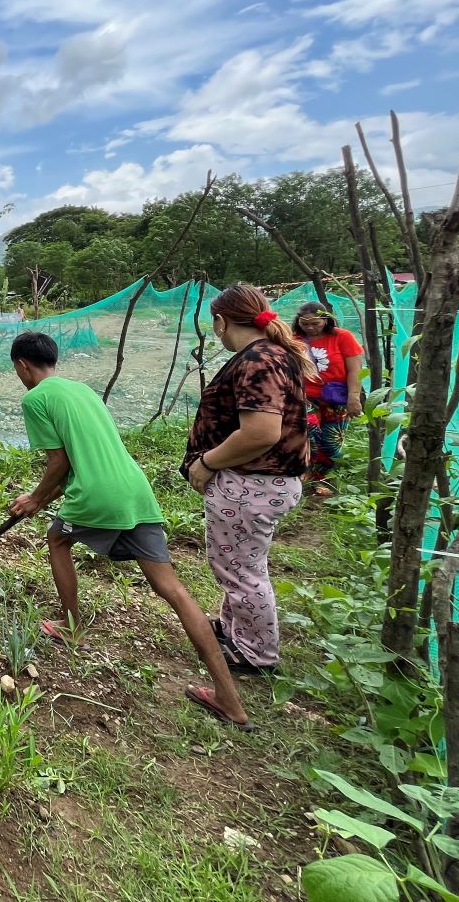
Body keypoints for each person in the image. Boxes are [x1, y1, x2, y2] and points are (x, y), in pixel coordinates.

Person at [6, 331, 252, 729]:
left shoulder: (36, 398)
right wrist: (41, 499)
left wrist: (35, 499)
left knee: (57, 539)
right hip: (135, 491)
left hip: (98, 495)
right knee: (172, 590)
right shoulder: (80, 390)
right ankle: (230, 700)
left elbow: (60, 462)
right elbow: (82, 456)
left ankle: (70, 626)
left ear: (22, 365)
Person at [184, 284, 311, 680]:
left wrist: (206, 463)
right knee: (238, 563)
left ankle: (256, 654)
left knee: (242, 571)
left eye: (214, 325)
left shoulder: (258, 360)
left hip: (252, 484)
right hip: (259, 484)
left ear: (221, 322)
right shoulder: (273, 354)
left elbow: (260, 432)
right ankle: (234, 629)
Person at [292, 301, 364, 498]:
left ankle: (321, 479)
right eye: (305, 323)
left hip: (336, 397)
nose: (310, 327)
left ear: (326, 319)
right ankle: (303, 473)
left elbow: (355, 369)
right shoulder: (295, 340)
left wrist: (354, 397)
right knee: (310, 430)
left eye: (315, 323)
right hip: (306, 396)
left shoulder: (342, 337)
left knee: (331, 442)